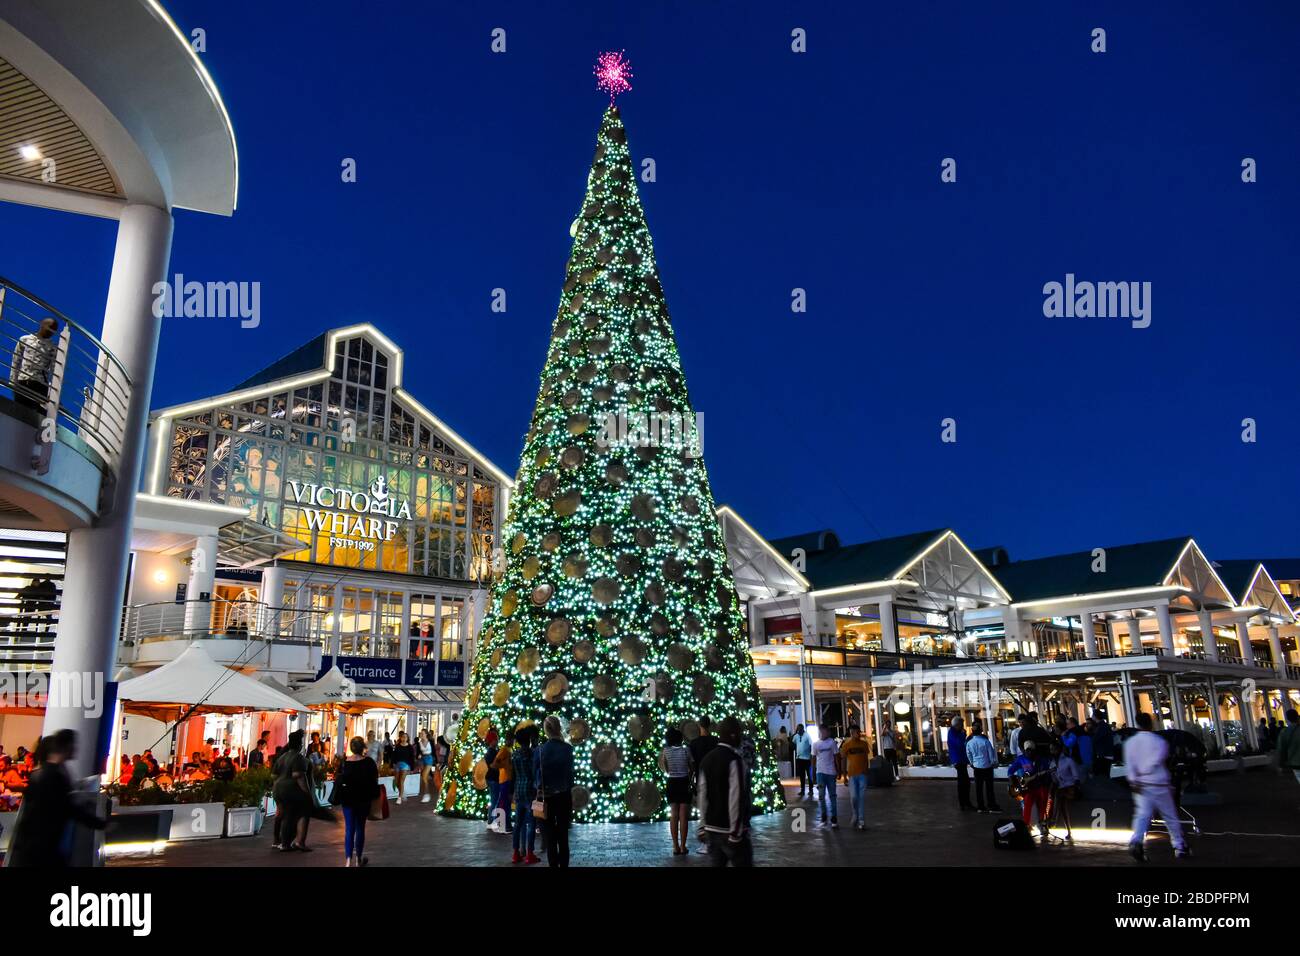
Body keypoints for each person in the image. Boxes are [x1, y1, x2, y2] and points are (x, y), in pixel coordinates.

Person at [6, 730, 107, 866]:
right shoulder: (53, 776)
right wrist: (98, 823)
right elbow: (67, 807)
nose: (76, 749)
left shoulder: (46, 773)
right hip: (40, 848)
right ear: (66, 746)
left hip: (35, 846)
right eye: (74, 745)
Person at [1126, 712, 1189, 862]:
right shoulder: (1159, 741)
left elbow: (1129, 765)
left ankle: (1136, 842)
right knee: (1170, 816)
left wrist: (1134, 780)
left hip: (1140, 786)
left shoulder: (1130, 743)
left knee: (1142, 816)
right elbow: (1157, 760)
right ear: (1150, 724)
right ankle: (1179, 846)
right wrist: (1146, 771)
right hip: (1159, 784)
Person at [697, 716, 752, 866]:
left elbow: (702, 796)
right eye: (738, 733)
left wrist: (702, 826)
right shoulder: (735, 761)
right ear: (733, 735)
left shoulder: (706, 760)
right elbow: (736, 797)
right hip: (730, 831)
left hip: (712, 830)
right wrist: (735, 833)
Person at [333, 735, 379, 867]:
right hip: (363, 799)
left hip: (348, 799)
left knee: (349, 829)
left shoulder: (345, 763)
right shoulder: (369, 762)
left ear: (351, 748)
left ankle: (348, 860)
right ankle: (358, 858)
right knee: (360, 828)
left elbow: (339, 779)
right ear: (363, 748)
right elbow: (374, 781)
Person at [535, 715, 574, 867]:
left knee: (550, 836)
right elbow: (570, 776)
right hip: (564, 796)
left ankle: (553, 865)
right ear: (558, 728)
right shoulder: (567, 749)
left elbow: (535, 776)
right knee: (563, 836)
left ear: (546, 731)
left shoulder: (540, 751)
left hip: (546, 798)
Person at [272, 730, 313, 852]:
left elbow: (274, 776)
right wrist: (307, 793)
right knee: (300, 813)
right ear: (300, 745)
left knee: (281, 814)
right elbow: (298, 776)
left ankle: (277, 841)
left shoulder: (282, 757)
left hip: (278, 789)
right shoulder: (298, 758)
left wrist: (277, 788)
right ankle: (294, 842)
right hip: (290, 790)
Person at [9, 316, 59, 412]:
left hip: (40, 385)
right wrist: (12, 383)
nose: (51, 331)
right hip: (23, 382)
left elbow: (54, 372)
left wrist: (51, 394)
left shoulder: (53, 348)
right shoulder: (25, 339)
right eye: (50, 327)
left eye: (54, 329)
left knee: (37, 416)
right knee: (19, 412)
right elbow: (16, 361)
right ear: (42, 325)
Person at [659, 726, 694, 853]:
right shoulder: (686, 750)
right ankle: (683, 846)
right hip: (684, 782)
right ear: (680, 739)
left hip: (672, 782)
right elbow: (692, 767)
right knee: (683, 815)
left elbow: (666, 769)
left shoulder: (665, 751)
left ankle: (675, 846)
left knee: (673, 814)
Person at [1008, 740, 1051, 840]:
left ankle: (1042, 825)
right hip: (1028, 787)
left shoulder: (1041, 759)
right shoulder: (1021, 759)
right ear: (1024, 750)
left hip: (1040, 785)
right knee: (1027, 804)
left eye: (1032, 750)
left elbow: (1047, 772)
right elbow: (1011, 770)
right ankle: (1026, 826)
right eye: (1027, 750)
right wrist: (1012, 780)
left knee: (1043, 804)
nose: (1030, 752)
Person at [688, 717, 719, 852]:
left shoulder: (694, 744)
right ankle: (716, 841)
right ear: (710, 725)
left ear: (699, 725)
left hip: (702, 780)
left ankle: (706, 843)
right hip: (716, 779)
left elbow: (692, 765)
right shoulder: (716, 741)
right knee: (715, 809)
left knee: (704, 812)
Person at [511, 725, 541, 864]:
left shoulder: (515, 754)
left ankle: (516, 853)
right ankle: (530, 853)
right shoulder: (531, 753)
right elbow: (535, 771)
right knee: (531, 823)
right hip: (530, 791)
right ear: (528, 740)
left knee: (517, 824)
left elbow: (514, 773)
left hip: (518, 790)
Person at [965, 718, 1001, 813]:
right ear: (981, 730)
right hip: (987, 766)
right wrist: (993, 763)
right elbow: (991, 753)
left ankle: (980, 806)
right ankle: (991, 805)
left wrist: (972, 763)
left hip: (976, 767)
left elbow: (969, 754)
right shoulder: (985, 741)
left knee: (978, 788)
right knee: (989, 787)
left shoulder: (969, 742)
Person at [839, 723, 871, 830]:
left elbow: (866, 758)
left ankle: (861, 819)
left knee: (861, 797)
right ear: (851, 733)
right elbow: (843, 760)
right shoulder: (846, 745)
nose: (856, 734)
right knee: (854, 797)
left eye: (857, 732)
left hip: (862, 774)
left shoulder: (864, 744)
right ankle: (855, 814)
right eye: (853, 732)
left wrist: (867, 771)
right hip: (852, 774)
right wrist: (844, 775)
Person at [1049, 739, 1080, 842]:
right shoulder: (1052, 763)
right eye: (1051, 750)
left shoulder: (1068, 760)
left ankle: (1053, 819)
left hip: (1070, 787)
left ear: (1059, 749)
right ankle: (1064, 828)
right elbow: (1053, 778)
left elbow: (1076, 777)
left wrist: (1074, 787)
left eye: (1054, 749)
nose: (1052, 751)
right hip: (1061, 788)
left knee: (1059, 797)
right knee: (1059, 801)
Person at [812, 726, 839, 828]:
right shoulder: (815, 744)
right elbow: (813, 758)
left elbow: (837, 756)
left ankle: (834, 818)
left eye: (824, 731)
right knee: (821, 796)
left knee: (832, 796)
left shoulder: (832, 743)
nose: (822, 733)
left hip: (831, 772)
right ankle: (824, 816)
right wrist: (813, 774)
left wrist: (838, 770)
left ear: (827, 732)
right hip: (820, 773)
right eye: (821, 731)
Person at [947, 716, 973, 811]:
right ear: (957, 725)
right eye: (961, 725)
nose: (962, 727)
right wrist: (963, 735)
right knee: (963, 782)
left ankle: (965, 803)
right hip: (959, 760)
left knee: (964, 782)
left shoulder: (954, 732)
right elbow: (959, 744)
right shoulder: (953, 733)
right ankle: (964, 803)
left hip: (959, 760)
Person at [491, 729, 514, 832]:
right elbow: (495, 763)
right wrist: (503, 766)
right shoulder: (504, 750)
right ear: (509, 739)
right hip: (504, 779)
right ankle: (500, 824)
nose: (513, 742)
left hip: (508, 779)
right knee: (503, 802)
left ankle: (506, 824)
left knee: (506, 803)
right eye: (512, 739)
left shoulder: (509, 749)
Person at [1274, 708, 1300, 785]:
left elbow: (1281, 750)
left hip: (1295, 763)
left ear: (1287, 718)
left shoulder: (1284, 732)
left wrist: (1280, 764)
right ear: (1297, 716)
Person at [389, 731, 415, 806]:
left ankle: (399, 798)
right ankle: (402, 792)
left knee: (401, 780)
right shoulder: (397, 746)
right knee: (396, 781)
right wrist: (391, 766)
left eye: (405, 737)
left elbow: (412, 758)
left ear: (407, 739)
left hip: (406, 765)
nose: (404, 738)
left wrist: (412, 768)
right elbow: (393, 756)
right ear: (400, 738)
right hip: (397, 764)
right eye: (402, 737)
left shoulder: (410, 747)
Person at [791, 723, 814, 796]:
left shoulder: (807, 735)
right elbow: (792, 742)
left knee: (809, 775)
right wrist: (795, 732)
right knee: (801, 775)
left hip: (807, 759)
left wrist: (811, 754)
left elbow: (811, 744)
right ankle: (802, 790)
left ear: (803, 729)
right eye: (798, 729)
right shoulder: (796, 736)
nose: (799, 731)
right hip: (799, 758)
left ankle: (811, 790)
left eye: (800, 729)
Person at [416, 728, 435, 803]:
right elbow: (418, 753)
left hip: (429, 758)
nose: (421, 734)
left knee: (424, 776)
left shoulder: (430, 741)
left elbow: (433, 752)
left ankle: (426, 794)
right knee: (424, 777)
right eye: (421, 733)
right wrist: (419, 755)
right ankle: (426, 793)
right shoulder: (419, 743)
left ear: (426, 734)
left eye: (422, 733)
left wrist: (436, 762)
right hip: (422, 759)